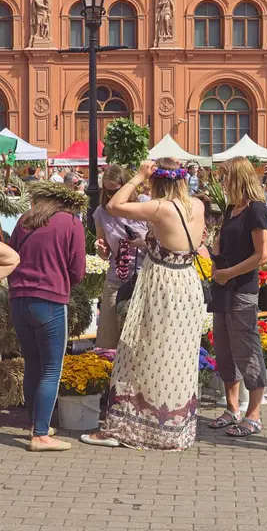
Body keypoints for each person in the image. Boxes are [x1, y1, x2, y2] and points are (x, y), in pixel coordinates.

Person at [80, 158, 205, 450]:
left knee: (138, 350)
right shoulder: (196, 205)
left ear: (157, 182)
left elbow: (114, 206)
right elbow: (176, 243)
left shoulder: (161, 207)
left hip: (161, 284)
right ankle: (172, 429)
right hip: (187, 284)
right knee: (176, 356)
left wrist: (136, 176)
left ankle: (124, 427)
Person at [8, 182, 86, 452]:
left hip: (18, 298)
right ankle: (41, 434)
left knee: (32, 363)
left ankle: (36, 421)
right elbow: (77, 268)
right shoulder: (71, 223)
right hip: (50, 298)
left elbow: (11, 255)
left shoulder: (25, 220)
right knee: (51, 368)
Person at [208, 157, 267, 438]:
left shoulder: (256, 209)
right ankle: (231, 408)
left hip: (242, 288)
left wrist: (229, 272)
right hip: (223, 285)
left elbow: (262, 255)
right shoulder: (232, 208)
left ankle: (253, 413)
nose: (222, 182)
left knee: (247, 348)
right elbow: (223, 242)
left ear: (237, 178)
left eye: (225, 177)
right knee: (223, 347)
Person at [93, 165, 148, 349]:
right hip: (116, 278)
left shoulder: (143, 204)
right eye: (107, 191)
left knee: (139, 341)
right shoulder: (101, 213)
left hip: (144, 279)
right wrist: (101, 249)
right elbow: (105, 252)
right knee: (108, 340)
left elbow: (162, 246)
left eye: (114, 191)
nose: (110, 196)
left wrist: (143, 243)